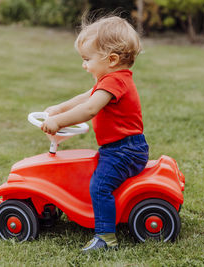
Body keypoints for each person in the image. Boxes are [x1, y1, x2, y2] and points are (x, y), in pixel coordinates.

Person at [41, 15, 149, 252]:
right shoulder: (111, 79)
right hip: (120, 148)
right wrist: (59, 108)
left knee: (99, 186)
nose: (84, 65)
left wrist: (57, 122)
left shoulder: (115, 82)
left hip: (125, 151)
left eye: (87, 59)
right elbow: (86, 97)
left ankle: (106, 237)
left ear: (111, 60)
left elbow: (89, 109)